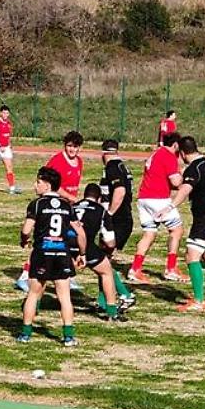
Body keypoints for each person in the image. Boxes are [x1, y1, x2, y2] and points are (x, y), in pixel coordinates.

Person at [17, 166, 86, 346]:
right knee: (65, 296)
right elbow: (80, 231)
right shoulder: (66, 205)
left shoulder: (37, 204)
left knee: (33, 293)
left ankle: (25, 334)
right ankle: (68, 336)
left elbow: (26, 230)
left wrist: (24, 240)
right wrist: (82, 253)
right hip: (62, 253)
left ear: (47, 185)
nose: (35, 185)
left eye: (38, 182)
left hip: (42, 253)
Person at [15, 131, 84, 292]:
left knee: (67, 239)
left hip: (67, 208)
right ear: (64, 145)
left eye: (75, 146)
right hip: (54, 206)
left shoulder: (79, 162)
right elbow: (52, 185)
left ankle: (67, 274)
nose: (72, 149)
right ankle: (26, 274)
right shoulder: (57, 161)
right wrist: (71, 198)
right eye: (69, 146)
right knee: (45, 240)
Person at [168, 136, 205, 311]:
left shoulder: (194, 168)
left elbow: (185, 190)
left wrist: (171, 206)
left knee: (192, 256)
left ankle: (199, 300)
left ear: (182, 153)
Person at [127, 131, 185, 283]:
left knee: (149, 234)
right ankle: (171, 268)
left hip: (144, 198)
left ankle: (135, 269)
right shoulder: (168, 156)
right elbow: (175, 181)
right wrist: (183, 175)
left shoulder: (155, 154)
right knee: (177, 230)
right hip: (158, 199)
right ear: (175, 145)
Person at [74, 182, 129, 320]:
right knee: (106, 272)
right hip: (86, 247)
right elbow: (110, 242)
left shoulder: (72, 207)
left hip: (65, 246)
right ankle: (112, 312)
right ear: (99, 198)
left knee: (51, 276)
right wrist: (109, 249)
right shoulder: (101, 210)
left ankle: (34, 306)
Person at [98, 139, 137, 308]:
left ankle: (124, 294)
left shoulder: (112, 167)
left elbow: (120, 191)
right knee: (103, 261)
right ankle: (104, 300)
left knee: (102, 262)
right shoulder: (122, 166)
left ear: (103, 154)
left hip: (118, 220)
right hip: (124, 218)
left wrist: (109, 213)